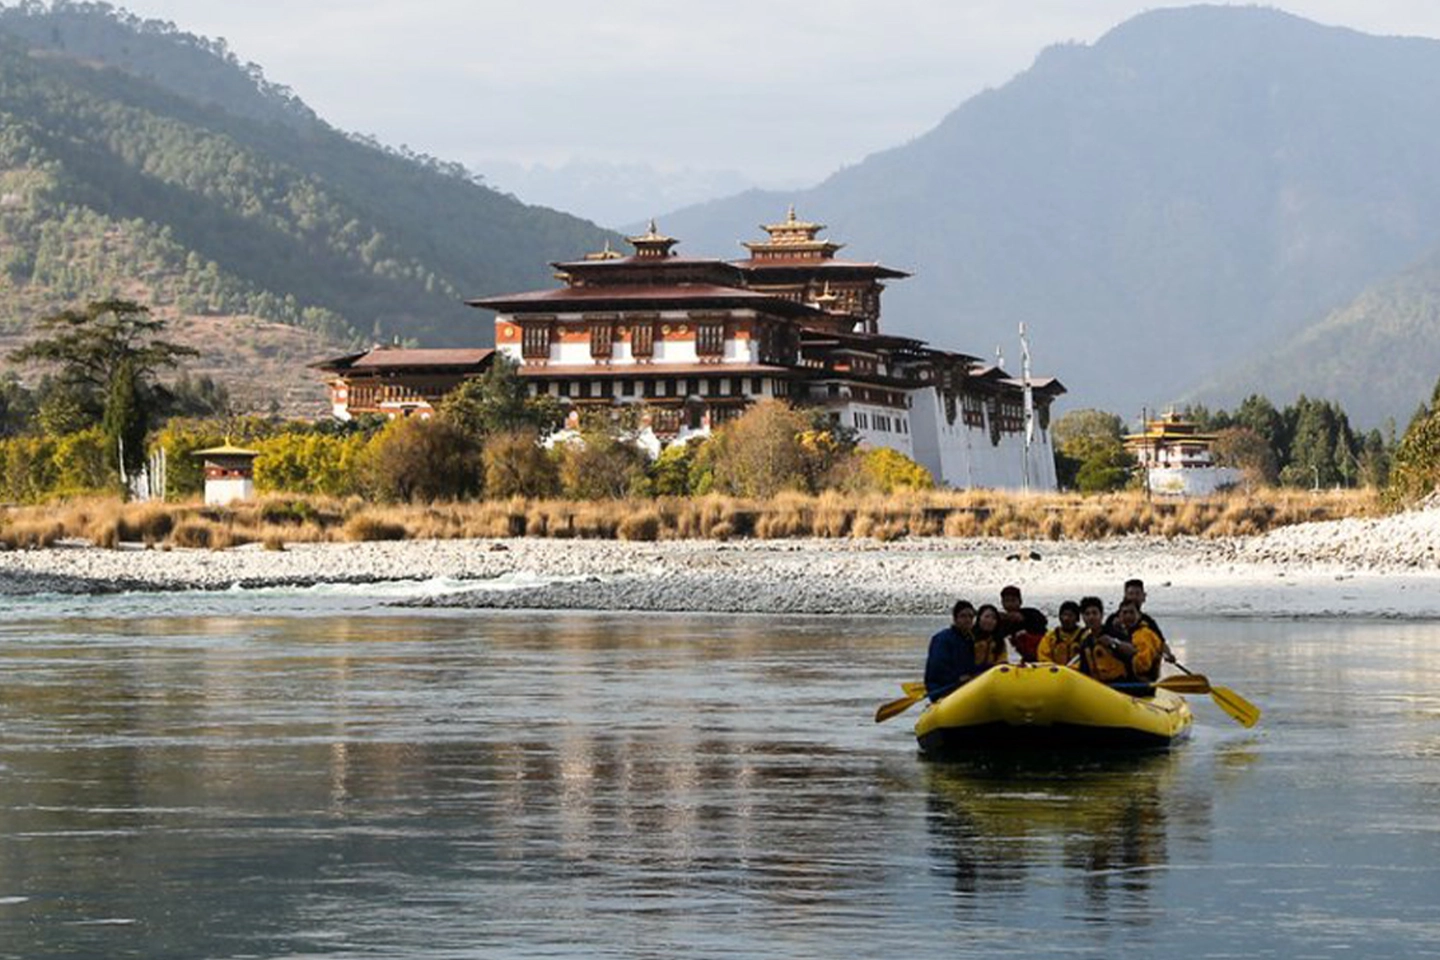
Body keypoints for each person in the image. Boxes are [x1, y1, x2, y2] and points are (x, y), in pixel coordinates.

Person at [1104, 578, 1175, 679]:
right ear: (1125, 596)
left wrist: (1168, 654)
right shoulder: (1113, 619)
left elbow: (1161, 643)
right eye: (1131, 594)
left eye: (1137, 594)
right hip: (1117, 671)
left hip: (1142, 672)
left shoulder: (1148, 622)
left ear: (1143, 597)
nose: (1134, 597)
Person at [925, 600, 980, 701]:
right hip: (943, 689)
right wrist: (957, 678)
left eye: (970, 617)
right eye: (963, 616)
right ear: (955, 619)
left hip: (964, 687)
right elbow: (937, 668)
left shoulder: (970, 640)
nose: (967, 620)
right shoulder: (942, 639)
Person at [1076, 595, 1138, 683]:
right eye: (1087, 614)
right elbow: (1084, 671)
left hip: (1122, 686)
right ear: (1083, 617)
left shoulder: (1113, 632)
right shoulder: (1086, 643)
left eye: (1094, 613)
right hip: (1099, 688)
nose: (1091, 617)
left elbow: (1133, 651)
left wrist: (1113, 643)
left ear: (1101, 615)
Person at [1037, 600, 1085, 666]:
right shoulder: (1050, 637)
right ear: (1060, 617)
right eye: (1064, 615)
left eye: (1070, 615)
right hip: (1055, 672)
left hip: (1077, 674)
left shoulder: (1085, 636)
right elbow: (1043, 657)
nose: (1066, 619)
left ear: (1077, 618)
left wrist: (1072, 669)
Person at [973, 603, 1010, 668]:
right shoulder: (969, 637)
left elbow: (1003, 662)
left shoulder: (999, 641)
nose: (990, 621)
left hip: (992, 674)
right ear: (979, 618)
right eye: (986, 617)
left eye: (994, 618)